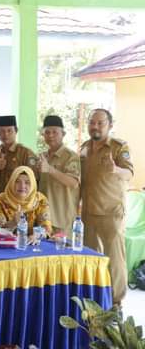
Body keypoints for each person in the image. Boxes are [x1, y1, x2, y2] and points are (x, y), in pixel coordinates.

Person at [80, 108, 133, 306]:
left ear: (110, 125)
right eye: (92, 122)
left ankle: (116, 303)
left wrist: (116, 169)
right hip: (88, 213)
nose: (95, 126)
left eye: (100, 123)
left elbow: (129, 173)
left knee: (115, 260)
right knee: (92, 259)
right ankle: (94, 301)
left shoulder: (118, 147)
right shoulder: (84, 148)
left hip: (111, 213)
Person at [37, 115, 81, 236]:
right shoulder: (42, 156)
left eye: (55, 132)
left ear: (63, 134)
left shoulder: (71, 157)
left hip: (62, 221)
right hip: (43, 219)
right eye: (47, 132)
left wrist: (50, 169)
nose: (50, 135)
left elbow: (73, 183)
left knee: (63, 249)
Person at [0, 166, 52, 237]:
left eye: (27, 182)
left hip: (34, 243)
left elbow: (46, 228)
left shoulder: (40, 201)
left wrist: (37, 235)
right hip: (8, 243)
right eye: (17, 181)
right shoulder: (0, 201)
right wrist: (13, 222)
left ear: (33, 184)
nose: (22, 186)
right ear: (11, 182)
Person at [0, 115, 39, 196]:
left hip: (19, 199)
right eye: (2, 131)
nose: (6, 134)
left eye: (9, 131)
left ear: (16, 131)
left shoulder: (25, 153)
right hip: (0, 199)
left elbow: (34, 179)